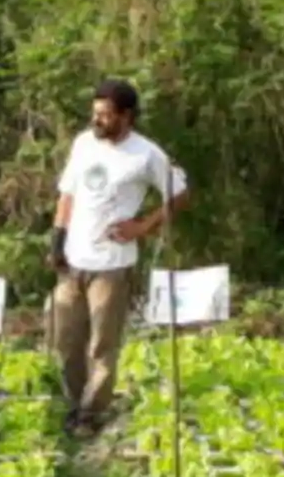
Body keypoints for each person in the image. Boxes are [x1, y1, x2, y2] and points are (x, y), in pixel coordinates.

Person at [51, 80, 190, 435]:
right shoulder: (84, 144)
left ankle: (90, 412)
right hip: (73, 259)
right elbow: (67, 194)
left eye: (105, 115)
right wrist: (57, 241)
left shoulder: (146, 155)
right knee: (65, 339)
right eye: (95, 113)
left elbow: (180, 195)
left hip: (111, 265)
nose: (97, 121)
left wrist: (143, 226)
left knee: (102, 344)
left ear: (126, 116)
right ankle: (74, 401)